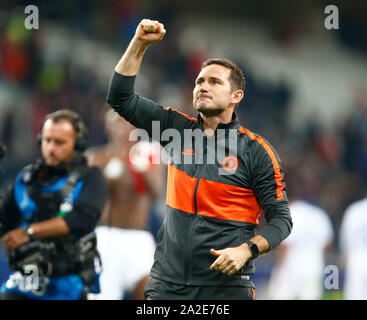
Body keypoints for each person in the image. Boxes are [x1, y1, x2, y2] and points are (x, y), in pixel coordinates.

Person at [105, 19, 292, 300]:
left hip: (225, 289)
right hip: (166, 285)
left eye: (214, 82)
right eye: (199, 81)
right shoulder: (172, 129)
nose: (203, 86)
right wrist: (140, 43)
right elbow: (120, 97)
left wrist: (246, 250)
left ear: (235, 96)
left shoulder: (257, 151)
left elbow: (281, 220)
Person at [0, 109, 108, 300]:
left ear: (78, 144)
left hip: (69, 285)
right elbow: (4, 220)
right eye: (47, 140)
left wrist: (29, 232)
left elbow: (81, 219)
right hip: (25, 282)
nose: (51, 148)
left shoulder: (91, 177)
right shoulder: (25, 179)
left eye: (60, 142)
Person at [86, 109, 164, 300]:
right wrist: (107, 178)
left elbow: (156, 192)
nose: (120, 127)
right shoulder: (96, 157)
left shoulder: (149, 153)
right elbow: (88, 199)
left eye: (124, 121)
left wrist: (141, 169)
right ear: (107, 127)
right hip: (106, 238)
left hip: (139, 237)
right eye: (115, 121)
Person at [267, 198, 334, 300]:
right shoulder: (319, 214)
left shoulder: (289, 212)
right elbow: (328, 244)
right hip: (313, 266)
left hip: (291, 267)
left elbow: (285, 245)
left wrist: (279, 269)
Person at [339, 196, 367, 300]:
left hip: (357, 263)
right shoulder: (354, 210)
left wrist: (344, 261)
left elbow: (345, 241)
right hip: (356, 262)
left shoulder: (354, 210)